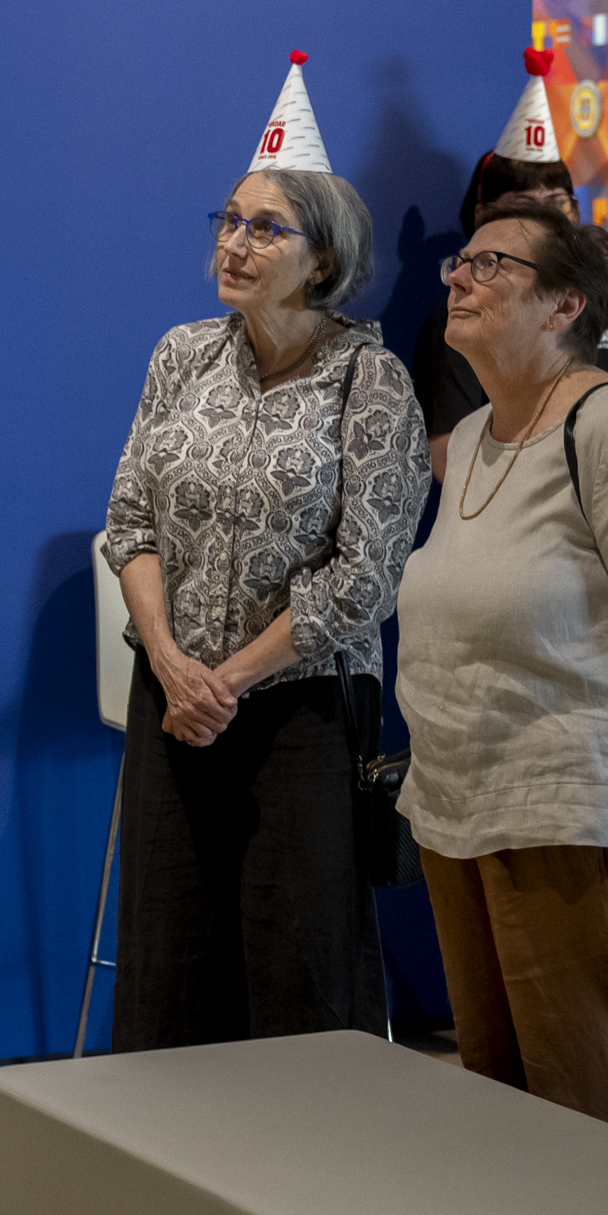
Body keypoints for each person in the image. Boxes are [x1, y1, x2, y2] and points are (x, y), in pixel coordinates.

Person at [104, 53, 430, 1049]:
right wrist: (172, 664)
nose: (234, 243)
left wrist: (232, 680)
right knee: (171, 956)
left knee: (298, 965)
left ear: (322, 262)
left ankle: (305, 1146)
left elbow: (365, 576)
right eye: (229, 221)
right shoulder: (180, 355)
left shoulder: (370, 381)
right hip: (172, 700)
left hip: (301, 714)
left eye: (264, 228)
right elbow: (130, 521)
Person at [396, 195, 608, 1142]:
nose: (460, 277)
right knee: (498, 1098)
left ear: (566, 305)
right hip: (459, 803)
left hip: (569, 804)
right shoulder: (474, 436)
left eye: (491, 265)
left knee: (592, 1095)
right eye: (459, 262)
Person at [409, 48, 608, 482]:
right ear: (484, 216)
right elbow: (445, 456)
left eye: (557, 203)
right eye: (526, 207)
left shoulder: (600, 312)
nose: (547, 220)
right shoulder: (463, 310)